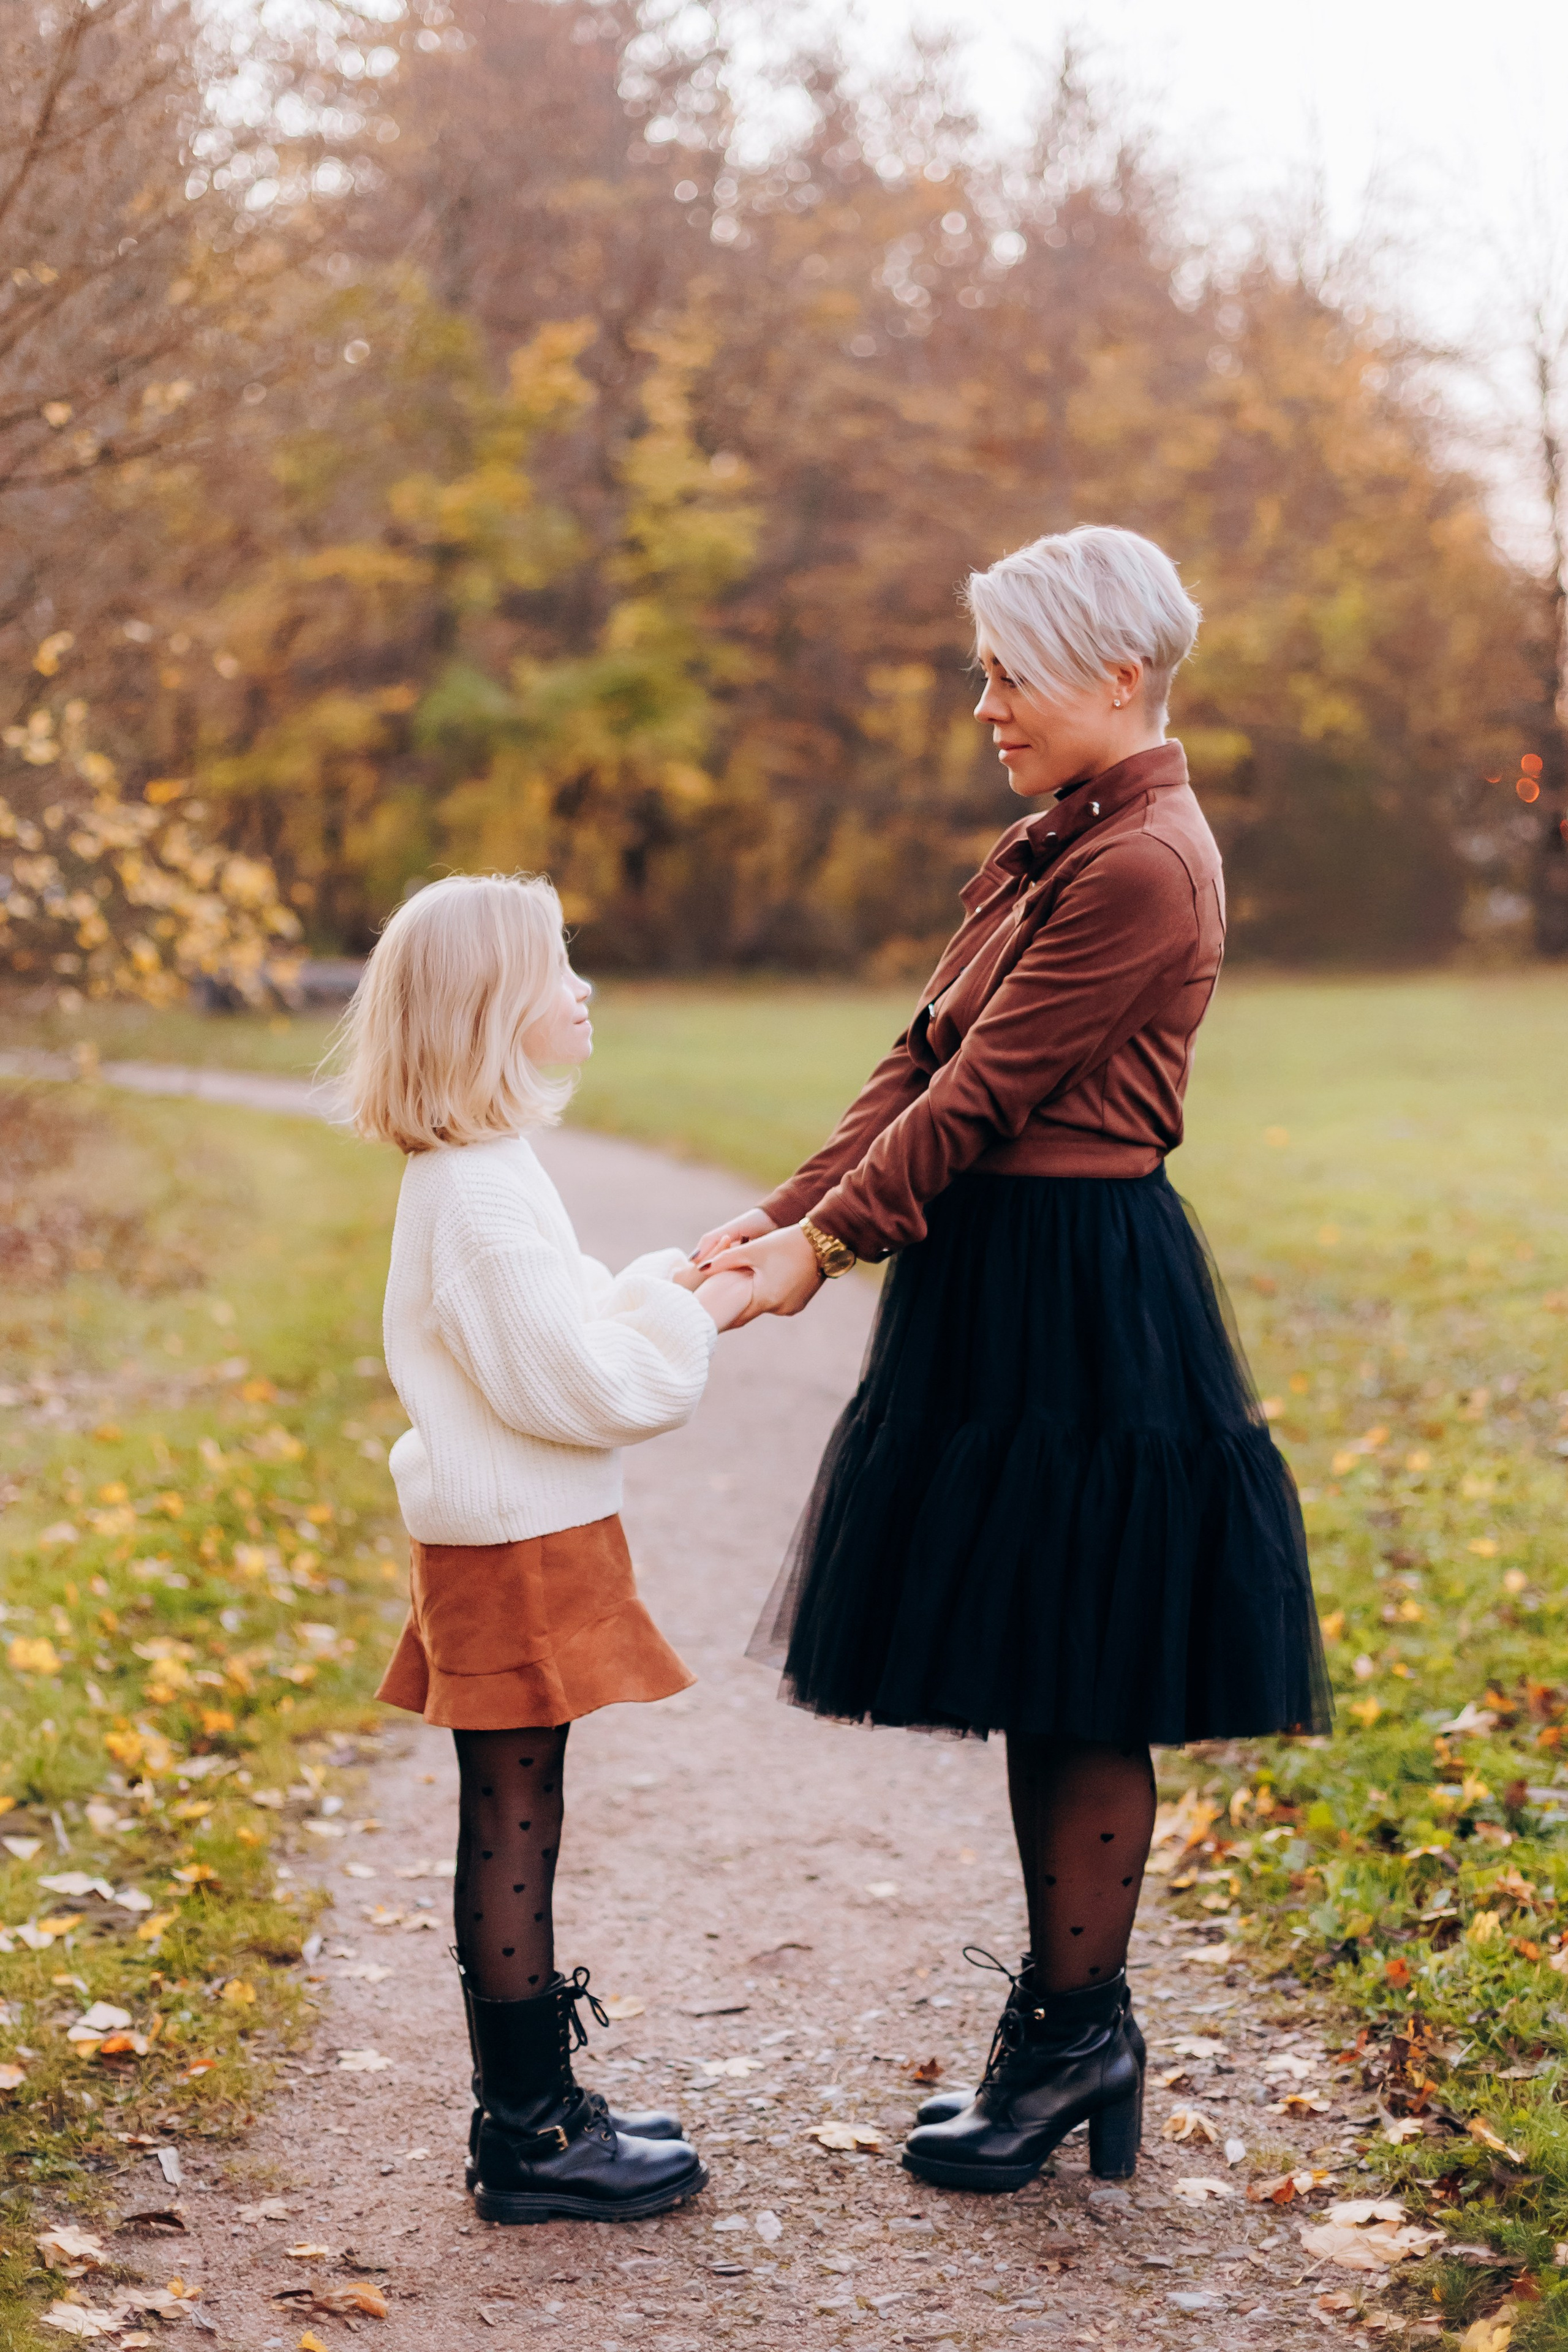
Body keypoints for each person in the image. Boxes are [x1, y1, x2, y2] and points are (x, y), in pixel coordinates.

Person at [696, 524, 1332, 2195]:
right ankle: (1068, 2029)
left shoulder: (1140, 866)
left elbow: (988, 1106)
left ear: (1115, 676)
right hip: (997, 1277)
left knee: (1089, 1658)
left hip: (1081, 1287)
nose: (985, 704)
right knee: (1046, 1654)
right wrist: (772, 1215)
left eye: (1009, 672)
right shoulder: (1050, 844)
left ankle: (1077, 2034)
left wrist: (823, 1251)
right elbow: (916, 1061)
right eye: (984, 671)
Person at [345, 872, 749, 2225]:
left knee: (527, 1810)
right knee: (510, 1820)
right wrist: (685, 1334)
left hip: (529, 1528)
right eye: (555, 968)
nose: (580, 988)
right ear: (487, 1011)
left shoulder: (486, 1173)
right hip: (512, 1542)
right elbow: (577, 1385)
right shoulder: (474, 1194)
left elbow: (568, 1317)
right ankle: (522, 2130)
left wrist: (662, 1286)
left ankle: (535, 2107)